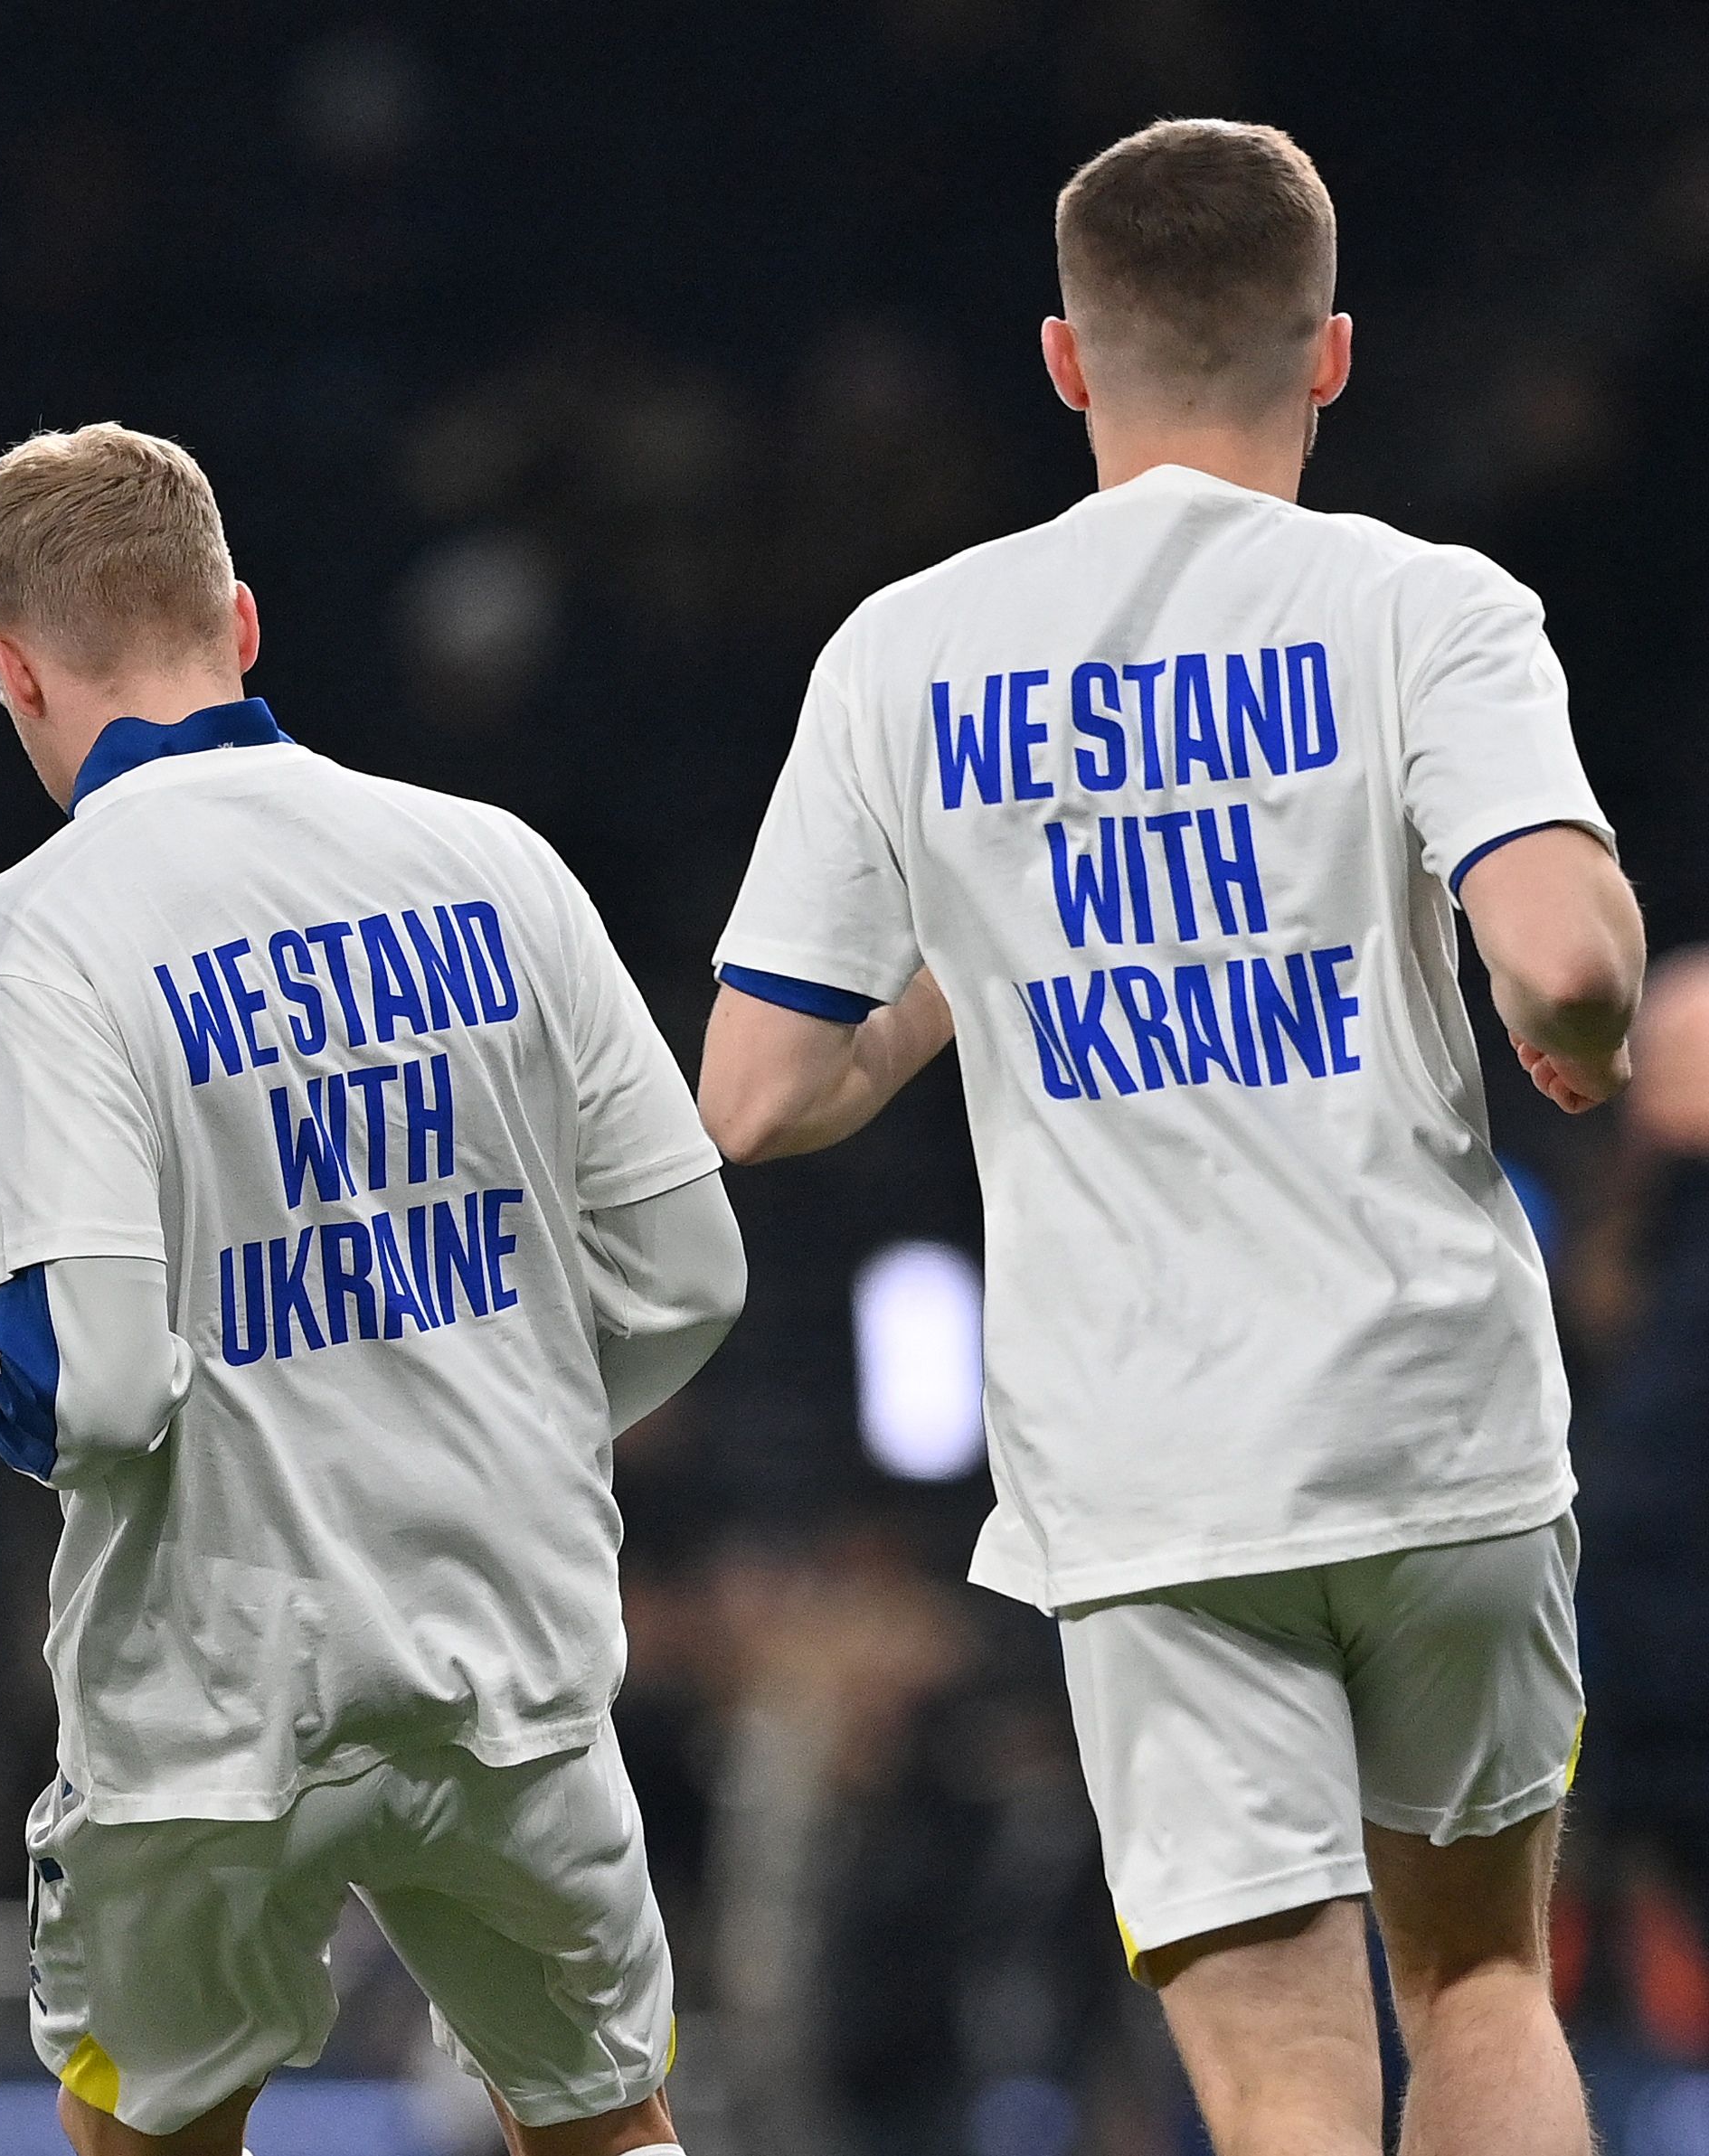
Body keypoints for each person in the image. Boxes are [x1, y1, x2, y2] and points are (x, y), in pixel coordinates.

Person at [699, 118, 1637, 2156]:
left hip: (1149, 1470)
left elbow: (756, 1092)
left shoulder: (906, 649)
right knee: (1479, 1986)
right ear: (1329, 352)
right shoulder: (1424, 605)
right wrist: (1572, 1036)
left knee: (1285, 2082)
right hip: (1436, 1423)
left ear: (1064, 358)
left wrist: (984, 951)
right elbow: (1565, 961)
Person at [0, 421, 740, 2156]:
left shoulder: (28, 931)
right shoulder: (496, 860)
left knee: (154, 2134)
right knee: (606, 2124)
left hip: (213, 1702)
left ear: (13, 670)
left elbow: (96, 1391)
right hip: (509, 1662)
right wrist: (490, 1407)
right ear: (240, 620)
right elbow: (690, 1275)